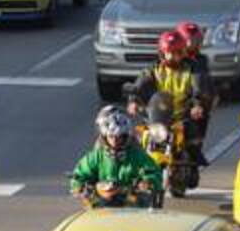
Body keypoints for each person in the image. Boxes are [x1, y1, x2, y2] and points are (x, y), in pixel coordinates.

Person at [130, 30, 211, 167]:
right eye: (170, 53)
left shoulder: (192, 69)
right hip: (158, 114)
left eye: (178, 53)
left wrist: (197, 105)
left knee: (193, 133)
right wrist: (133, 100)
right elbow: (140, 84)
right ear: (162, 52)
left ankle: (194, 158)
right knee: (138, 137)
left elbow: (199, 89)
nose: (174, 57)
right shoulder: (153, 69)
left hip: (182, 114)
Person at [70, 107, 162, 206]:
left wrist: (146, 183)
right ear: (104, 136)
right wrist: (81, 187)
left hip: (132, 208)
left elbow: (154, 173)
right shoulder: (95, 157)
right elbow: (78, 176)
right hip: (100, 208)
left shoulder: (137, 155)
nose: (115, 140)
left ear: (125, 136)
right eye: (111, 136)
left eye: (119, 137)